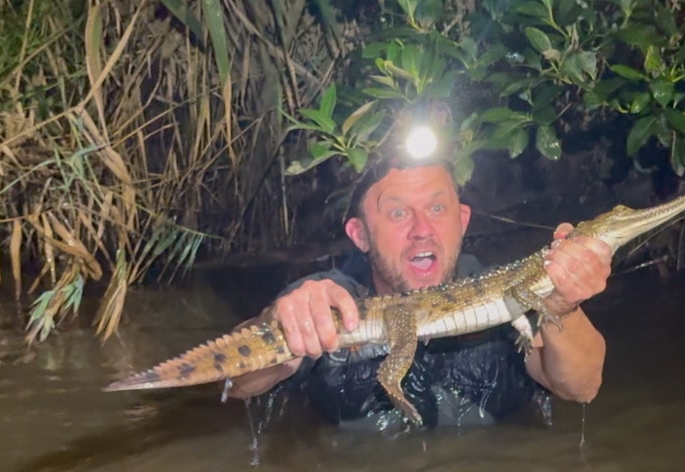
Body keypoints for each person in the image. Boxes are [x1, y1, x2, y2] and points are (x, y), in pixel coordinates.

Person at [227, 153, 612, 430]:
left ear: (462, 221)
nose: (422, 229)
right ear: (360, 235)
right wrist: (281, 326)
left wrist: (562, 305)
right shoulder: (331, 299)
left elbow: (582, 387)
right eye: (397, 213)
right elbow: (238, 385)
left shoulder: (503, 289)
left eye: (438, 208)